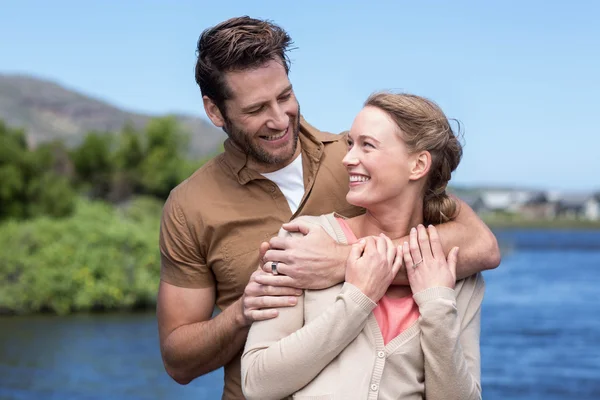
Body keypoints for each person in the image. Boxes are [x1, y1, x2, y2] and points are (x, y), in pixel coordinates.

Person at [157, 16, 500, 399]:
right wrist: (242, 312)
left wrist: (341, 261)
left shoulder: (357, 168)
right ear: (216, 112)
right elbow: (178, 360)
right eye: (256, 109)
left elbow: (481, 246)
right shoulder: (189, 206)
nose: (278, 118)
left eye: (285, 96)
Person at [242, 92, 484, 400]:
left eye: (367, 145)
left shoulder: (455, 271)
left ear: (418, 164)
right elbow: (257, 384)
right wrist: (358, 299)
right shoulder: (305, 241)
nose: (347, 159)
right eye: (350, 143)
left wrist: (437, 305)